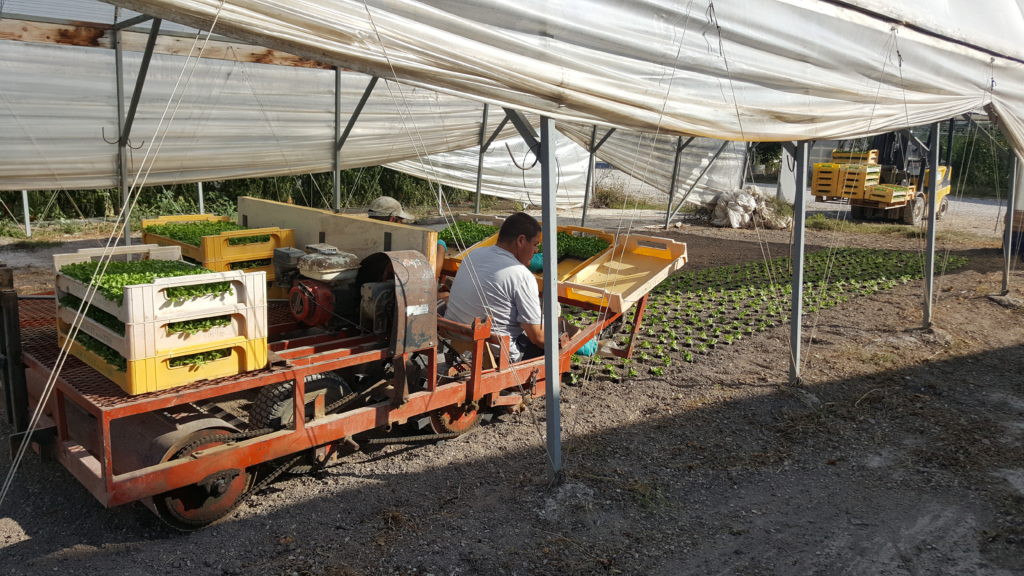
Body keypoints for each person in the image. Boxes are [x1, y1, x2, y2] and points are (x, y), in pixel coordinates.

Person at [444, 212, 545, 362]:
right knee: (550, 344)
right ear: (521, 240)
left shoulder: (473, 254)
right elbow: (537, 337)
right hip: (494, 355)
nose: (536, 251)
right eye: (535, 244)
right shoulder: (522, 275)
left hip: (455, 342)